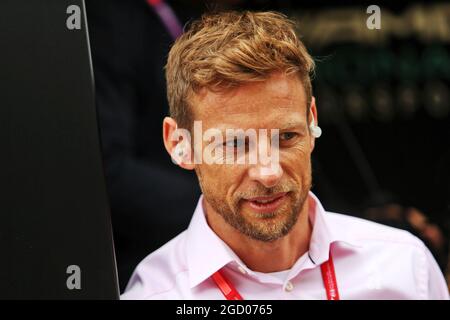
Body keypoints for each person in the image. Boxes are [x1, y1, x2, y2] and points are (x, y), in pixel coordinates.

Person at [121, 11, 449, 299]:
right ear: (179, 144)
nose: (268, 172)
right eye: (235, 145)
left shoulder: (406, 268)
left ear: (312, 122)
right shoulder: (155, 294)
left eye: (287, 136)